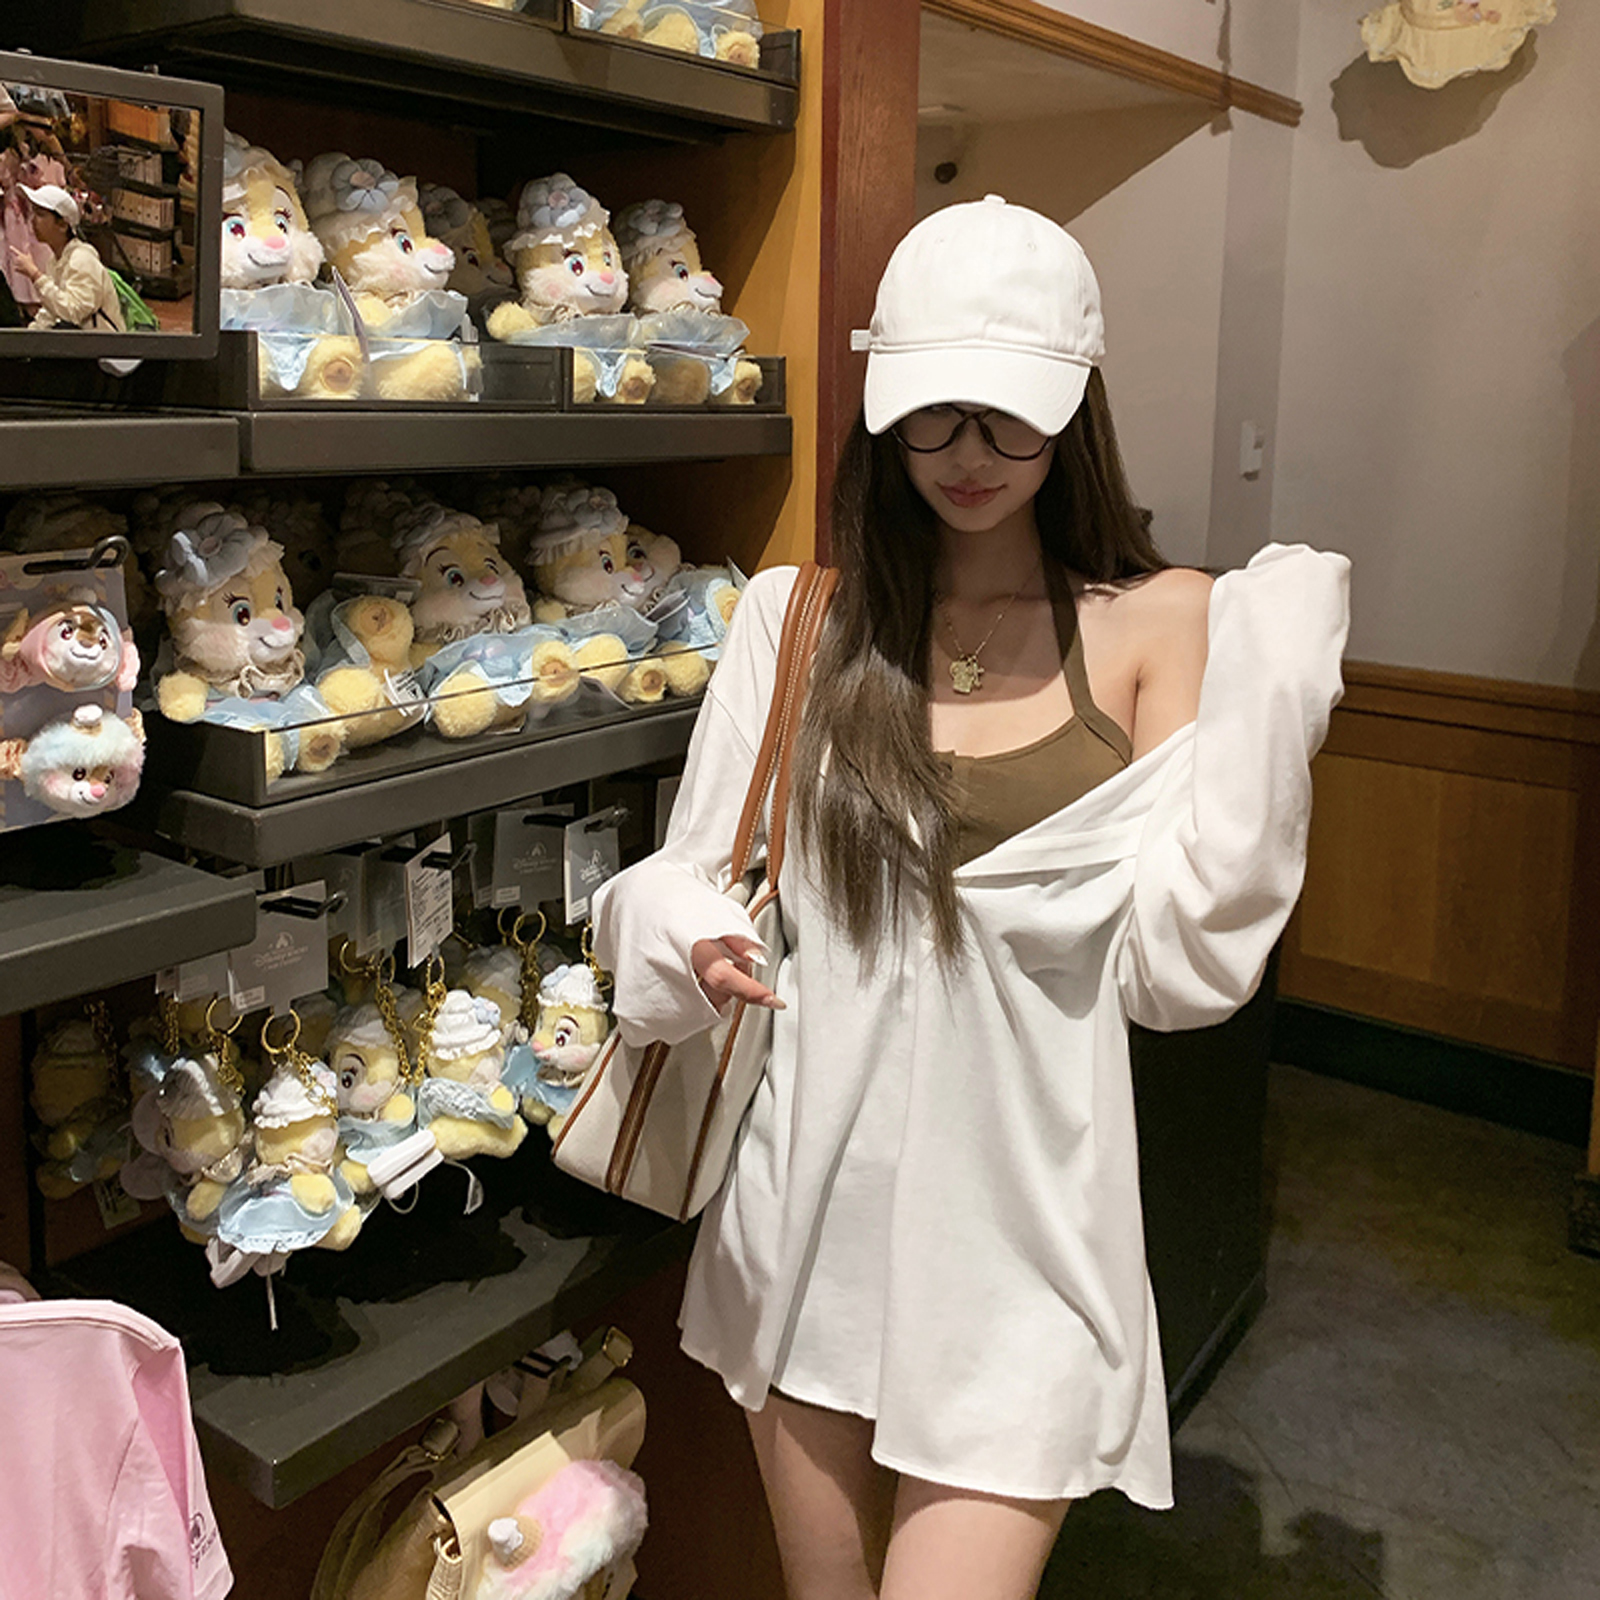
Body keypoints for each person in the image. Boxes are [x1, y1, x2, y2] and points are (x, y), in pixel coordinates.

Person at [593, 195, 1349, 1600]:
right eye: (932, 412)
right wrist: (690, 936)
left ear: (1075, 413)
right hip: (806, 1212)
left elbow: (1180, 971)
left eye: (1010, 414)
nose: (969, 452)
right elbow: (684, 873)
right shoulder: (798, 619)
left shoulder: (1161, 622)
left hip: (1025, 1234)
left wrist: (1275, 701)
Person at [9, 182, 125, 331]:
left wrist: (36, 275)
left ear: (63, 225)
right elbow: (51, 313)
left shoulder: (82, 259)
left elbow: (73, 312)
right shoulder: (55, 262)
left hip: (102, 344)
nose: (33, 220)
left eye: (41, 214)